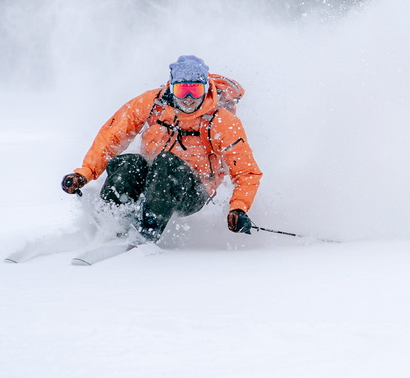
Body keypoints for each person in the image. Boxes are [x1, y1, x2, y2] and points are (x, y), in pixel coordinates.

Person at [61, 55, 262, 242]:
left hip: (192, 191)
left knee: (167, 162)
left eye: (196, 90)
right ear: (171, 88)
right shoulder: (153, 103)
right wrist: (85, 173)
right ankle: (111, 224)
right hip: (152, 182)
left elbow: (246, 172)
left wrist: (238, 208)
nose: (189, 98)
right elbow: (112, 136)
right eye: (182, 91)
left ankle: (146, 234)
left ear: (206, 89)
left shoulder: (221, 121)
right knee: (129, 163)